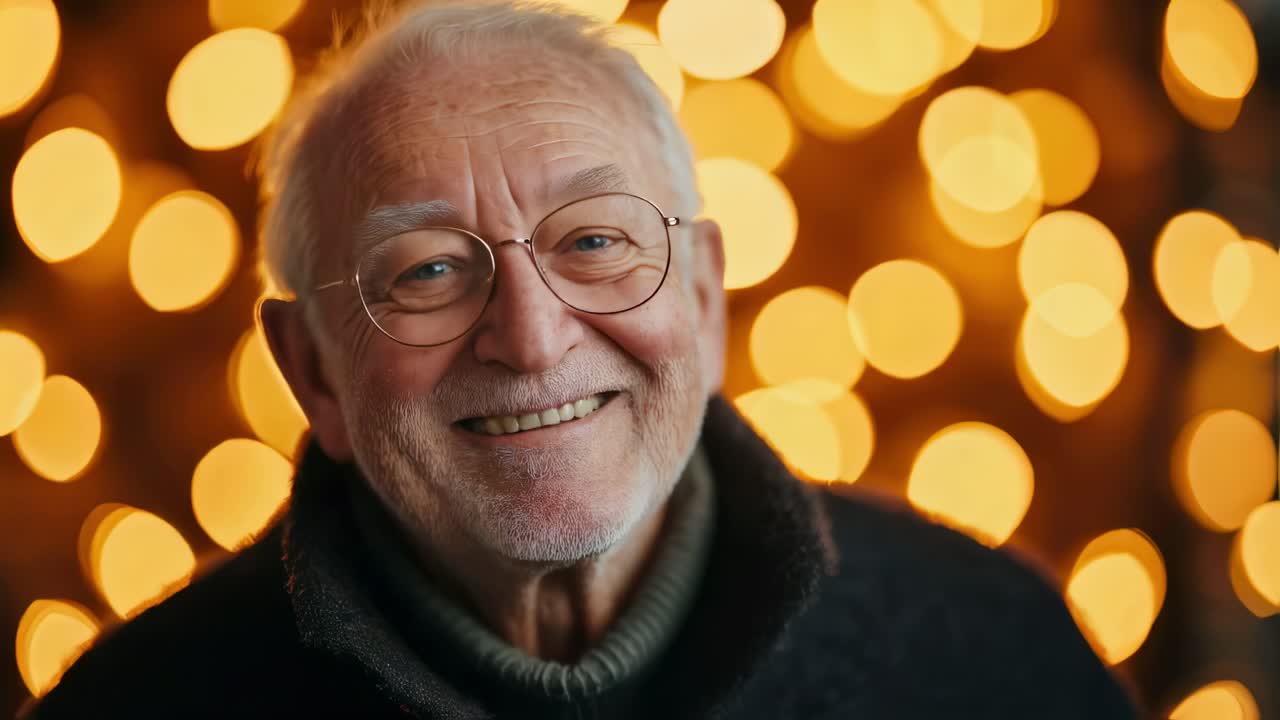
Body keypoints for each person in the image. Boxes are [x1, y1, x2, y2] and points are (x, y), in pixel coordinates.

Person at [26, 1, 1139, 717]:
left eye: (594, 241)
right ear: (313, 370)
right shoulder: (139, 709)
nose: (530, 336)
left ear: (703, 302)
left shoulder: (987, 654)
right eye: (424, 271)